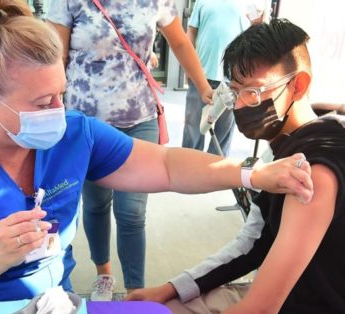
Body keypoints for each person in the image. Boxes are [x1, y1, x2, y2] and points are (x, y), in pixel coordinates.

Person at [0, 0, 312, 301]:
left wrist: (250, 173)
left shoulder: (76, 134)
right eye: (43, 104)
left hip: (56, 301)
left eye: (61, 94)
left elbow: (165, 165)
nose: (59, 113)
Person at [126, 19, 345, 313]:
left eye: (252, 92)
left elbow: (261, 308)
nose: (240, 105)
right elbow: (252, 243)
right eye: (234, 91)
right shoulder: (285, 151)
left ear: (298, 85)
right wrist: (171, 288)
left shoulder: (311, 172)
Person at [45, 0, 216, 300]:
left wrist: (204, 88)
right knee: (96, 205)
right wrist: (47, 105)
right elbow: (54, 56)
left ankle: (136, 289)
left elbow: (179, 41)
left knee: (132, 212)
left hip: (140, 117)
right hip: (86, 125)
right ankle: (104, 275)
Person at [181, 0, 251, 156]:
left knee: (222, 134)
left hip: (233, 80)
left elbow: (254, 38)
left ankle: (214, 173)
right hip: (201, 76)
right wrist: (188, 68)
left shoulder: (249, 3)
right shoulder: (201, 1)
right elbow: (191, 33)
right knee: (193, 128)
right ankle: (188, 167)